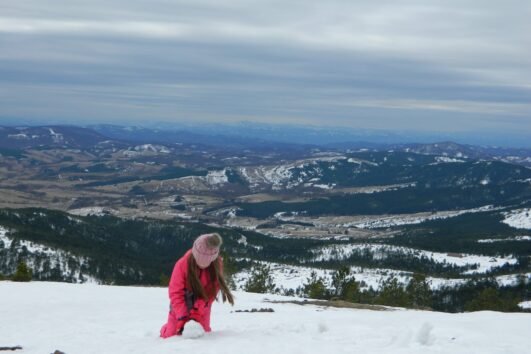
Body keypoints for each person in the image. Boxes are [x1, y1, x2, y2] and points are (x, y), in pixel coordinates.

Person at [159, 233, 234, 338]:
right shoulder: (181, 264)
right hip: (181, 304)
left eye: (207, 264)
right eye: (200, 263)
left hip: (203, 306)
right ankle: (165, 328)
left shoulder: (217, 264)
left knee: (204, 334)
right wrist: (182, 316)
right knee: (171, 335)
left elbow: (212, 292)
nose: (203, 266)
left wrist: (197, 313)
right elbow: (175, 292)